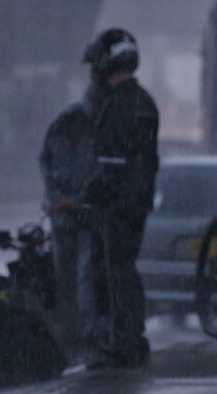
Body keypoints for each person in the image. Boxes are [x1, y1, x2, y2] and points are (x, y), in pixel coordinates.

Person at [58, 29, 159, 369]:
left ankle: (119, 344)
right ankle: (131, 340)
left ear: (105, 63)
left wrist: (80, 199)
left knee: (111, 277)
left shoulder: (119, 105)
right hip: (135, 204)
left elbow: (111, 168)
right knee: (125, 273)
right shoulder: (143, 101)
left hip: (116, 209)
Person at [39, 84, 101, 358]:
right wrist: (67, 199)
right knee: (78, 280)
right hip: (75, 215)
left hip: (71, 214)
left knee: (72, 280)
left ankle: (73, 340)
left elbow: (47, 163)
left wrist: (60, 198)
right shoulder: (74, 124)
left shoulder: (67, 124)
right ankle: (78, 340)